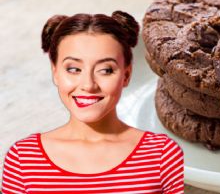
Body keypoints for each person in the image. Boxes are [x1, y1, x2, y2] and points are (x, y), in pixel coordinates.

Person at [1, 11, 184, 194]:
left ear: (126, 75)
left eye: (105, 70)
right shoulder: (23, 159)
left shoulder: (161, 154)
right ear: (55, 72)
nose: (88, 85)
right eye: (73, 69)